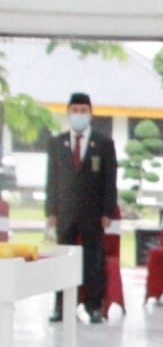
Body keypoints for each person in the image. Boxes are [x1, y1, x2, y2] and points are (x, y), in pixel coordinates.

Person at [45, 92, 117, 324]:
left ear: (90, 113)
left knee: (93, 260)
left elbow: (109, 180)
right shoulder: (57, 143)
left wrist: (107, 211)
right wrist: (51, 211)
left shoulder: (104, 143)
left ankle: (94, 305)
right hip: (65, 213)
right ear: (68, 113)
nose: (79, 114)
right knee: (62, 258)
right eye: (75, 110)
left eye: (83, 110)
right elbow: (52, 179)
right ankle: (61, 305)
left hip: (93, 213)